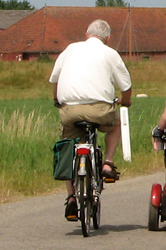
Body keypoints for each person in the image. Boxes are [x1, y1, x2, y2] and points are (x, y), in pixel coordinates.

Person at [49, 19, 133, 221]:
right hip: (99, 110)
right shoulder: (110, 53)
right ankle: (107, 164)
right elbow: (126, 85)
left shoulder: (69, 49)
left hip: (70, 110)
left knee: (69, 145)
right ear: (108, 38)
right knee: (115, 125)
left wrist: (57, 100)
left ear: (86, 34)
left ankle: (70, 197)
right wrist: (126, 102)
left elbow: (55, 79)